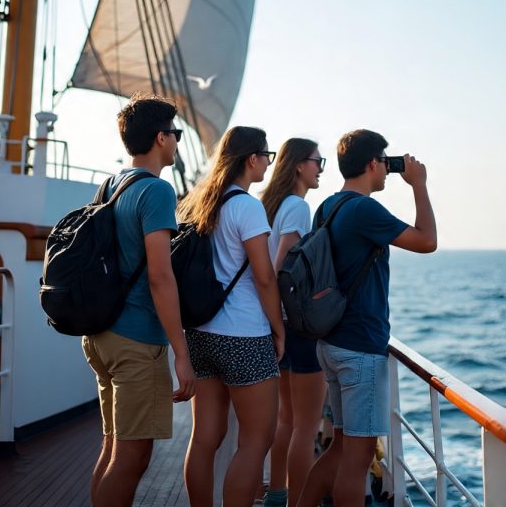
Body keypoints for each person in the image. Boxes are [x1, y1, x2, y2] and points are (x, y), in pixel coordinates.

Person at [297, 129, 437, 507]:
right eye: (386, 163)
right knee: (356, 463)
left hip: (332, 342)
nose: (389, 172)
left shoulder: (328, 206)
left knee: (340, 449)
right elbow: (427, 241)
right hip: (359, 347)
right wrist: (418, 185)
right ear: (373, 163)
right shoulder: (364, 209)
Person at [81, 93, 196, 507]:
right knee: (132, 457)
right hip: (135, 340)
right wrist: (181, 354)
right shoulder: (156, 192)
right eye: (176, 134)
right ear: (161, 138)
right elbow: (161, 277)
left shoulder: (111, 185)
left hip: (101, 334)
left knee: (113, 448)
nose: (178, 142)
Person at [178, 126, 285, 507]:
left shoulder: (198, 201)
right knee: (256, 441)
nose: (268, 164)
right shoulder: (247, 206)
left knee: (204, 439)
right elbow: (264, 277)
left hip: (200, 333)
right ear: (251, 159)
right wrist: (278, 328)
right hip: (243, 334)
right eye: (266, 156)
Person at [261, 138, 327, 507]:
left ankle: (276, 493)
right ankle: (298, 502)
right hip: (295, 326)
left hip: (274, 324)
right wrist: (283, 322)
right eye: (318, 161)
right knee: (306, 424)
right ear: (300, 165)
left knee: (286, 420)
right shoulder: (298, 207)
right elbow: (282, 269)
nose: (320, 169)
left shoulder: (269, 205)